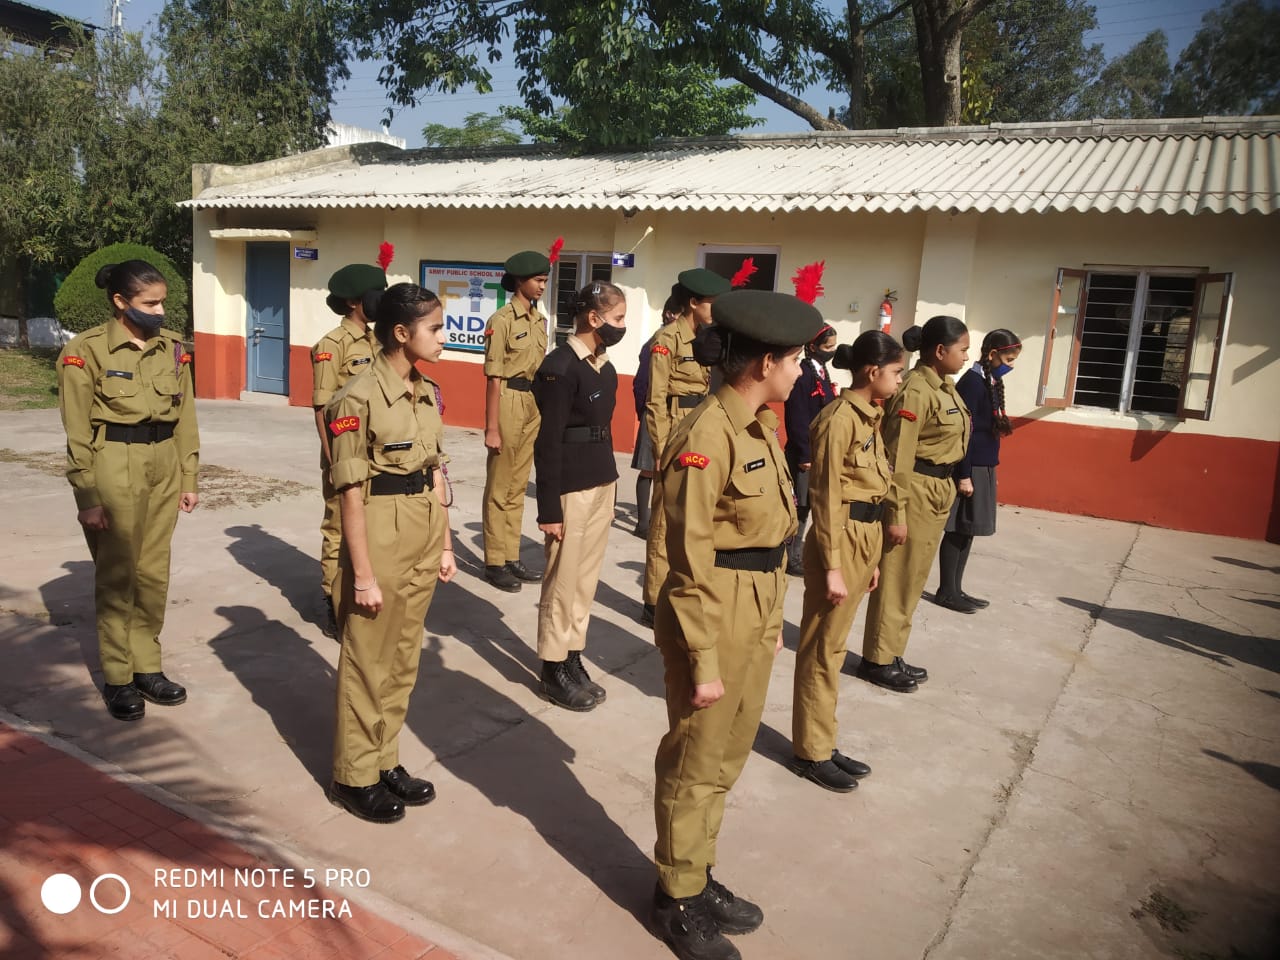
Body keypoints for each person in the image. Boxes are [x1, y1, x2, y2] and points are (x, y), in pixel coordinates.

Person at [650, 289, 824, 960]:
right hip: (713, 608)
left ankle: (697, 872)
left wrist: (769, 619)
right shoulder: (706, 435)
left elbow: (767, 537)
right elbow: (689, 557)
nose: (801, 372)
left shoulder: (756, 426)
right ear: (765, 363)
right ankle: (675, 897)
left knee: (727, 756)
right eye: (796, 360)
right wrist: (701, 657)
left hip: (752, 604)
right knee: (695, 760)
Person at [325, 283, 458, 824]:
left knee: (403, 657)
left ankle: (385, 760)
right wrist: (361, 574)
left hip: (423, 529)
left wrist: (445, 544)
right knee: (368, 660)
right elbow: (349, 494)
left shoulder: (425, 391)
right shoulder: (355, 399)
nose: (444, 337)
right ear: (402, 333)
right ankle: (353, 775)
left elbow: (435, 473)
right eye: (435, 328)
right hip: (379, 530)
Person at [57, 260, 199, 722]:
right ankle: (118, 677)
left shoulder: (172, 348)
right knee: (118, 575)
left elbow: (186, 417)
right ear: (120, 302)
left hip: (164, 463)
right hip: (114, 464)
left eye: (162, 302)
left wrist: (189, 476)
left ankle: (147, 667)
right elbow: (77, 432)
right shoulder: (86, 351)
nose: (160, 311)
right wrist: (87, 497)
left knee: (153, 573)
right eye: (150, 303)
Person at [790, 332, 904, 792]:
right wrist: (834, 566)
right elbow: (826, 496)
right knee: (822, 648)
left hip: (863, 538)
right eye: (896, 372)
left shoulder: (869, 416)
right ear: (873, 372)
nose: (900, 380)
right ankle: (811, 751)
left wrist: (869, 561)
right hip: (840, 539)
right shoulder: (839, 420)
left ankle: (823, 738)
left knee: (834, 648)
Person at [857, 316, 970, 693]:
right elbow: (898, 457)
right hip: (915, 490)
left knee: (914, 577)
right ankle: (877, 659)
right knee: (898, 577)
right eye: (962, 350)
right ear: (940, 351)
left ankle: (892, 652)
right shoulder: (916, 391)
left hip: (937, 489)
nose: (966, 357)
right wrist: (896, 512)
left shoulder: (945, 388)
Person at [531, 281, 628, 711]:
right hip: (570, 487)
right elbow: (547, 442)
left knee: (585, 581)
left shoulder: (604, 367)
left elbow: (602, 430)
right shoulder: (560, 367)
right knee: (562, 580)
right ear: (594, 318)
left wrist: (610, 483)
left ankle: (572, 654)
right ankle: (552, 668)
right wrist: (549, 508)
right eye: (618, 318)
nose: (621, 326)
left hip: (600, 482)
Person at [640, 267, 731, 627]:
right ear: (693, 303)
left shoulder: (704, 339)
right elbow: (655, 399)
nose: (716, 310)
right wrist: (660, 448)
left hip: (698, 426)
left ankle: (677, 590)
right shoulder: (667, 339)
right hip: (674, 427)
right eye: (712, 303)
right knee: (664, 518)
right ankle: (652, 598)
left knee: (693, 517)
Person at [312, 257, 389, 635]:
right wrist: (332, 462)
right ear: (354, 302)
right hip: (344, 450)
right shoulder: (332, 345)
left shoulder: (380, 340)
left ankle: (362, 589)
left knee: (367, 525)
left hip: (375, 452)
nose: (381, 300)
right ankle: (333, 600)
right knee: (339, 526)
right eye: (376, 294)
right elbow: (321, 407)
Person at [932, 329, 1022, 612]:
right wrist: (964, 474)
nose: (1010, 365)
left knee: (969, 529)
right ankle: (946, 591)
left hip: (984, 466)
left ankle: (956, 588)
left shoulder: (989, 380)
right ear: (992, 354)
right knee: (958, 528)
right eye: (1008, 359)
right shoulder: (972, 383)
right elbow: (964, 433)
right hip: (969, 467)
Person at [482, 248, 552, 593]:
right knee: (500, 485)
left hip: (532, 402)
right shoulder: (501, 321)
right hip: (508, 398)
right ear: (520, 281)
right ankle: (495, 561)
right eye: (538, 280)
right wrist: (492, 427)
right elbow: (493, 377)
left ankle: (511, 555)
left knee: (518, 485)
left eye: (545, 281)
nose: (542, 286)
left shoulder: (539, 321)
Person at [782, 322, 838, 576]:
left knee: (807, 505)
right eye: (828, 347)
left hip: (818, 451)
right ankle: (790, 556)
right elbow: (797, 417)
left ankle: (795, 552)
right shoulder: (804, 374)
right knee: (799, 506)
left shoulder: (821, 372)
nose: (831, 351)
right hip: (804, 453)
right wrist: (805, 453)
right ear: (813, 347)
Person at [630, 294, 679, 539]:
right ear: (669, 314)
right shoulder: (656, 342)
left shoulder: (684, 343)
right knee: (648, 469)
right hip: (654, 411)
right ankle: (642, 524)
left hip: (675, 414)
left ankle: (661, 521)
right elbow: (641, 383)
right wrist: (644, 412)